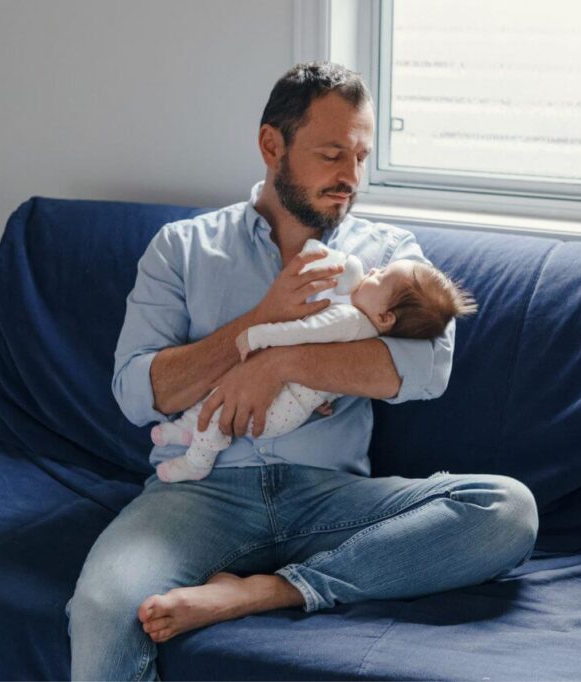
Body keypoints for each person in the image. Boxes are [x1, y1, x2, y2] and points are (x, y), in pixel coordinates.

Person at [66, 61, 538, 681]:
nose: (351, 179)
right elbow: (138, 392)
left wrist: (282, 361)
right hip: (200, 495)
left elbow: (427, 370)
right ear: (272, 146)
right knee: (102, 606)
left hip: (331, 499)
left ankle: (273, 591)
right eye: (332, 155)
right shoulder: (182, 249)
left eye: (361, 158)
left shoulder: (389, 256)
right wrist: (260, 320)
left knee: (507, 511)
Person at [152, 239, 478, 483]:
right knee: (222, 397)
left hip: (279, 417)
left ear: (385, 316)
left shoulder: (347, 318)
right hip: (294, 410)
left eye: (379, 277)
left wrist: (259, 335)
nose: (373, 270)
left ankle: (197, 460)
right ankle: (184, 431)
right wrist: (320, 396)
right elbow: (336, 378)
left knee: (222, 408)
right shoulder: (367, 335)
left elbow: (302, 331)